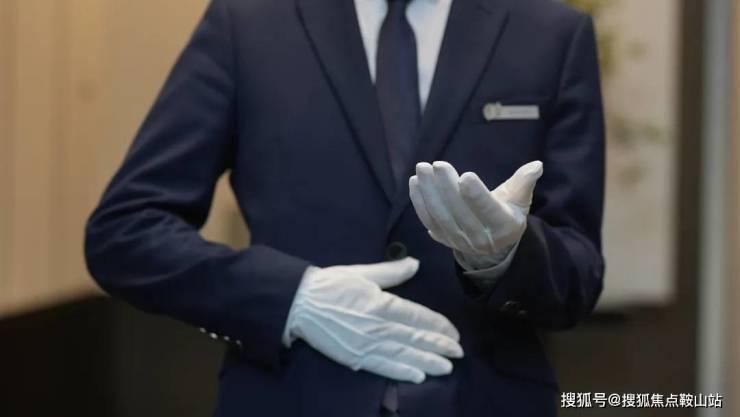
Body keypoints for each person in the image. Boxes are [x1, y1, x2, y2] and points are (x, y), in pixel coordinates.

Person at [85, 0, 605, 415]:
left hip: (484, 399)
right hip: (290, 396)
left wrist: (506, 256)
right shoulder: (246, 22)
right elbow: (125, 231)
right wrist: (292, 297)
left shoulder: (551, 32)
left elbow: (579, 273)